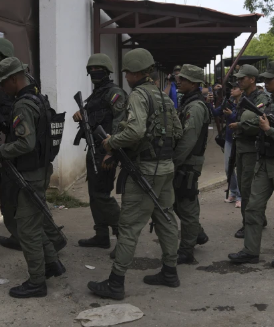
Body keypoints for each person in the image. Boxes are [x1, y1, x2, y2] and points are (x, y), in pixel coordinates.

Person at [87, 48, 183, 300]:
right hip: (165, 167)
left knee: (129, 227)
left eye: (127, 72)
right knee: (166, 219)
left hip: (146, 170)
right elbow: (178, 131)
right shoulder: (164, 98)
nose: (126, 76)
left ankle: (115, 283)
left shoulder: (139, 95)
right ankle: (170, 272)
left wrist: (111, 143)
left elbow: (135, 132)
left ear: (135, 72)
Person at [0, 57, 66, 298]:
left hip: (29, 175)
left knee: (27, 230)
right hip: (40, 171)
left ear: (13, 79)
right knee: (34, 222)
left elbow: (25, 143)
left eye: (3, 83)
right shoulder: (38, 98)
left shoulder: (22, 105)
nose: (1, 88)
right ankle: (52, 263)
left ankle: (37, 282)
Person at [228, 61, 274, 268]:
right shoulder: (270, 104)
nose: (266, 82)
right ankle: (250, 250)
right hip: (264, 164)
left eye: (270, 79)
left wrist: (270, 130)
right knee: (253, 208)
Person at [73, 54, 127, 252]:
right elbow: (94, 118)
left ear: (107, 71)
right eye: (91, 68)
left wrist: (111, 152)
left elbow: (121, 124)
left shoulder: (115, 93)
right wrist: (80, 115)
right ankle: (101, 235)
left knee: (102, 195)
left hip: (106, 152)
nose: (94, 72)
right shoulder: (96, 94)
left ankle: (124, 237)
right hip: (94, 150)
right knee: (94, 195)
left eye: (99, 68)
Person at [173, 64, 212, 264]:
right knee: (178, 202)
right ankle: (198, 234)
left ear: (194, 84)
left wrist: (173, 163)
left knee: (187, 206)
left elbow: (188, 140)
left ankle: (186, 250)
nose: (179, 81)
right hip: (185, 162)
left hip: (188, 163)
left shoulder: (195, 106)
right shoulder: (188, 101)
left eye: (184, 79)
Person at [229, 64, 271, 238]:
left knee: (247, 188)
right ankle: (258, 218)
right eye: (238, 78)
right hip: (241, 146)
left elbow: (258, 120)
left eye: (242, 78)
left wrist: (240, 125)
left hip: (251, 148)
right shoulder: (244, 97)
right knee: (243, 184)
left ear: (252, 79)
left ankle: (250, 223)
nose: (239, 81)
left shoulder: (260, 98)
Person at [211, 82, 243, 206]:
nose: (232, 90)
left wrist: (232, 115)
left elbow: (245, 121)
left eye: (235, 88)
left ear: (241, 90)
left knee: (240, 169)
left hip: (241, 139)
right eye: (232, 88)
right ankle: (233, 192)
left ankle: (240, 195)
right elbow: (215, 113)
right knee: (228, 168)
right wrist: (209, 102)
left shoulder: (245, 103)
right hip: (230, 139)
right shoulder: (228, 102)